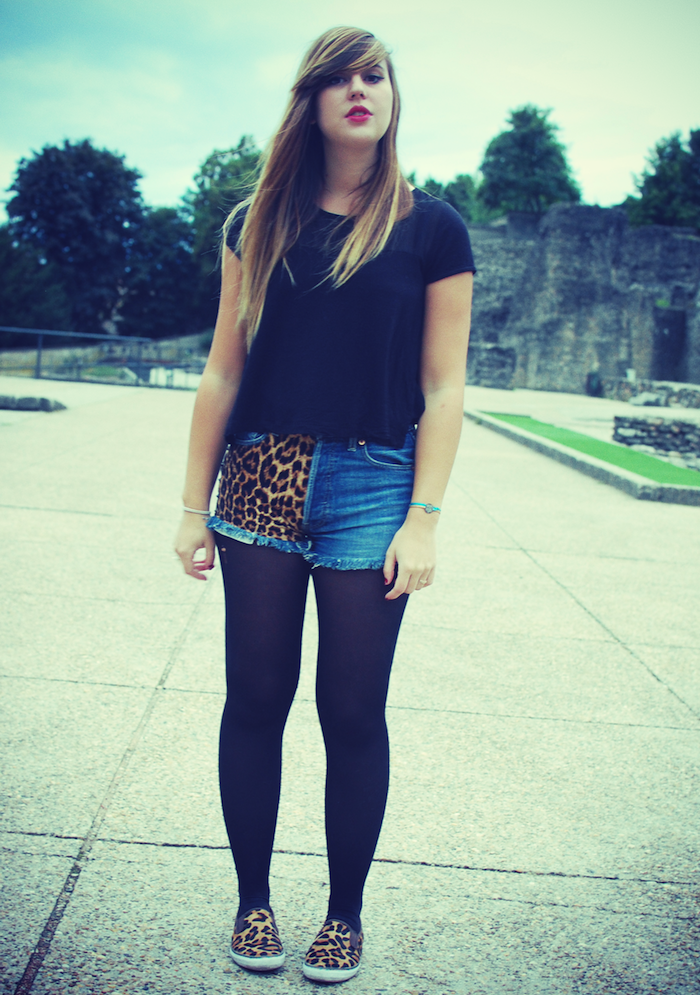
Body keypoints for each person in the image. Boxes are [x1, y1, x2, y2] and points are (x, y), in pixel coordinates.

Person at [175, 25, 474, 984]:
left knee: (351, 710)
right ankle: (253, 902)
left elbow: (445, 386)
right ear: (308, 102)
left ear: (391, 98)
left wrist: (424, 516)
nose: (359, 89)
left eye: (373, 75)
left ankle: (344, 916)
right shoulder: (254, 221)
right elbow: (223, 370)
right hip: (260, 474)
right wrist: (191, 504)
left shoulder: (432, 228)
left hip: (373, 482)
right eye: (339, 78)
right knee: (256, 698)